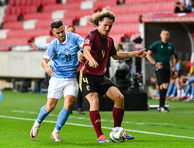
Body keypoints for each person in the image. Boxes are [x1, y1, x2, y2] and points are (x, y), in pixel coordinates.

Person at [76, 10, 146, 143]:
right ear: (99, 23)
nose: (107, 28)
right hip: (86, 74)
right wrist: (90, 59)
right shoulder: (92, 35)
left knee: (119, 98)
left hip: (100, 76)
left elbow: (115, 55)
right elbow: (86, 50)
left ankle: (117, 131)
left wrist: (135, 53)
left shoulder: (109, 40)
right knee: (94, 100)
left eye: (110, 26)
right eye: (105, 25)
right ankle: (100, 136)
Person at [30, 20, 85, 142]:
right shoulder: (53, 45)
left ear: (64, 28)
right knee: (50, 107)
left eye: (62, 31)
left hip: (71, 78)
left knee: (68, 104)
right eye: (58, 33)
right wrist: (46, 66)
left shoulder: (74, 37)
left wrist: (81, 52)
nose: (61, 34)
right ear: (53, 33)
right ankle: (37, 123)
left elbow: (86, 45)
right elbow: (43, 61)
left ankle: (56, 132)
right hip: (57, 78)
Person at [146, 28, 177, 112]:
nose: (165, 36)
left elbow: (173, 58)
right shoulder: (157, 44)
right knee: (165, 85)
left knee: (163, 86)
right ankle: (161, 106)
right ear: (160, 35)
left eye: (167, 34)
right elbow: (148, 54)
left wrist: (175, 69)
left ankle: (161, 106)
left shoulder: (170, 46)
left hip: (167, 68)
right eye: (164, 34)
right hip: (159, 68)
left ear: (169, 35)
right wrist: (154, 63)